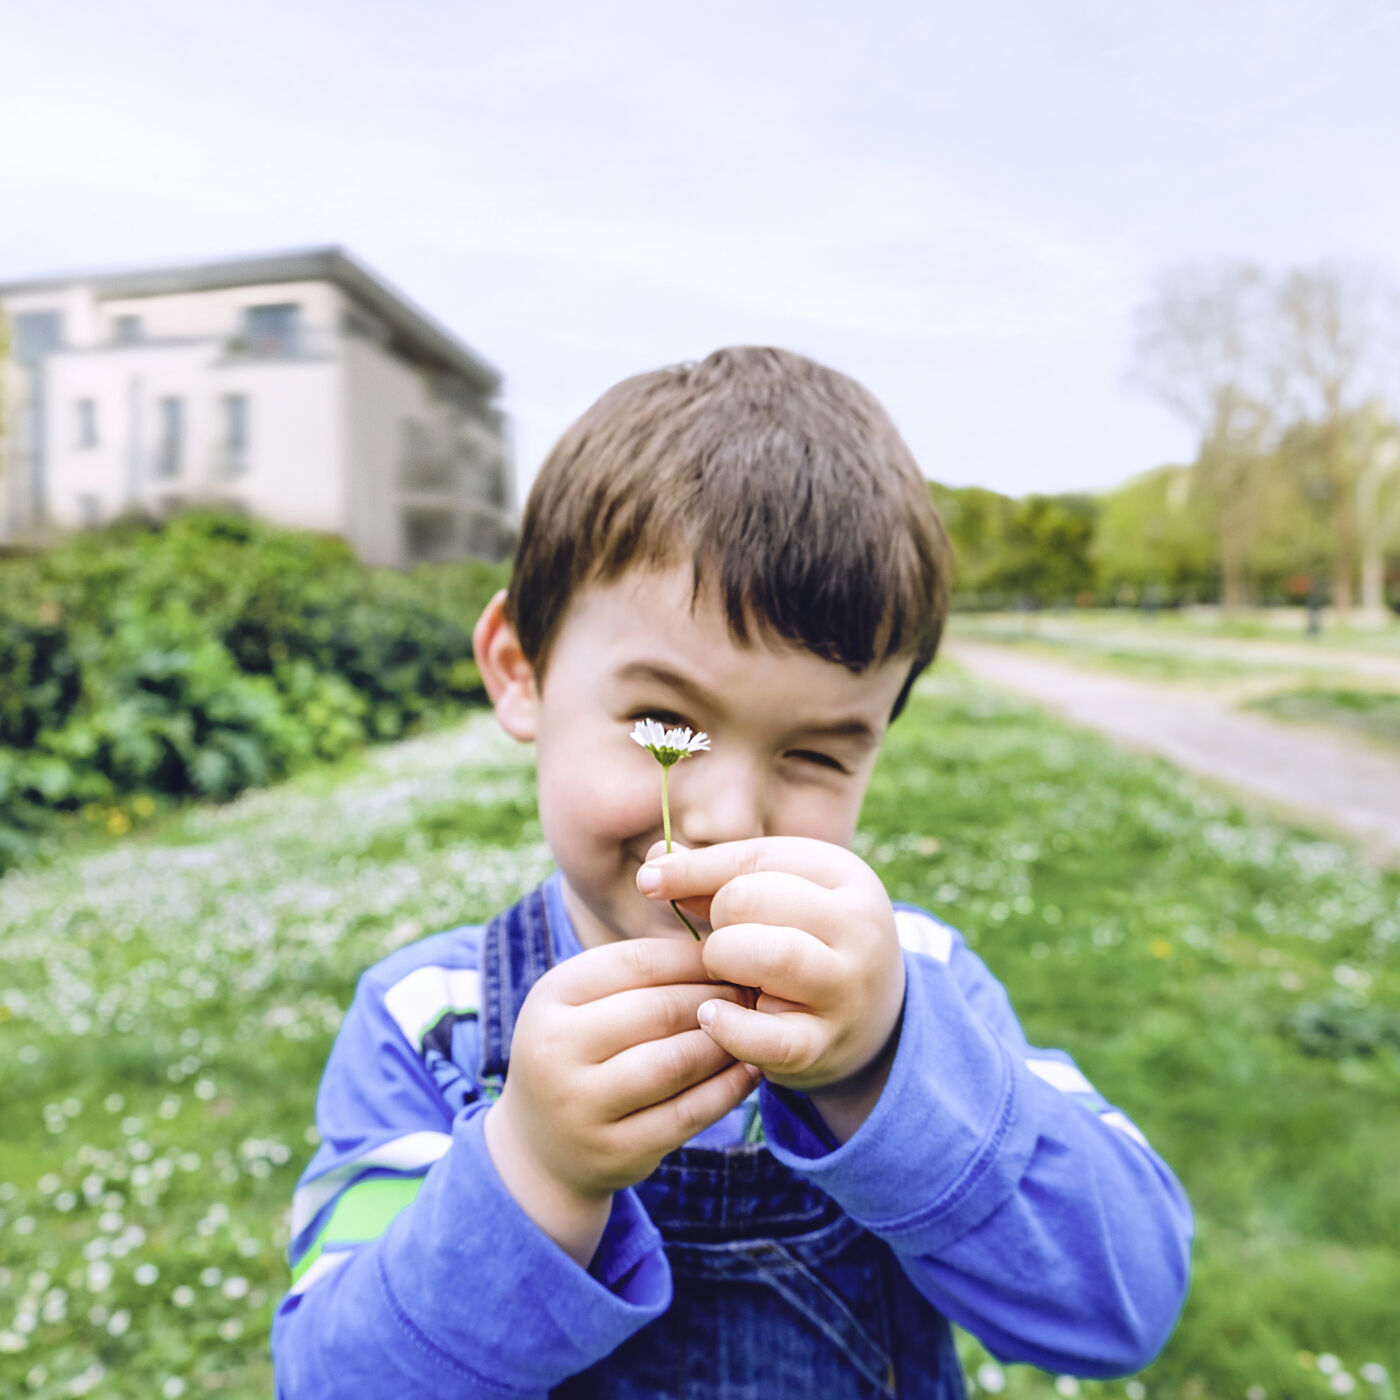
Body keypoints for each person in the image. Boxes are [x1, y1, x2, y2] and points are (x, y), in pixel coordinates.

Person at [271, 347, 1193, 1398]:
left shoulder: (921, 981)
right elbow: (332, 1379)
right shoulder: (426, 1022)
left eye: (814, 754)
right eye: (665, 723)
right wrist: (533, 1169)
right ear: (518, 667)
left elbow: (1124, 1302)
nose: (722, 817)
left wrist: (882, 1065)